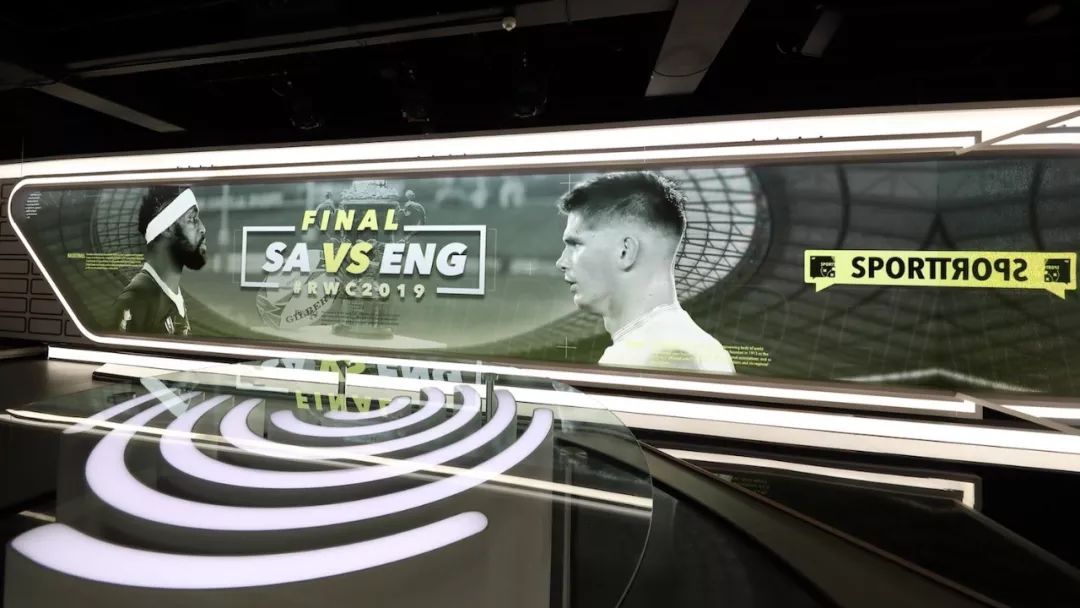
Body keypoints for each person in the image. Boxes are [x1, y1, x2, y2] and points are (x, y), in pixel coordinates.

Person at [555, 171, 735, 373]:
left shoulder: (658, 356)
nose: (561, 262)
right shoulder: (693, 344)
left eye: (575, 245)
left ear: (625, 251)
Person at [115, 186, 207, 335]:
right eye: (192, 219)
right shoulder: (135, 301)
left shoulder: (173, 296)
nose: (202, 228)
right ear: (168, 229)